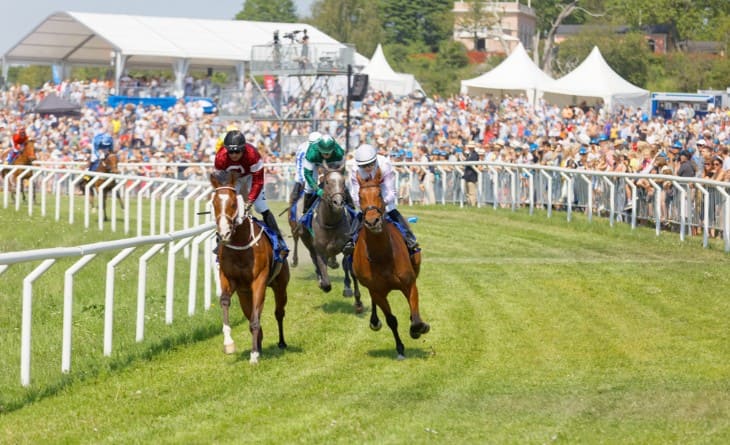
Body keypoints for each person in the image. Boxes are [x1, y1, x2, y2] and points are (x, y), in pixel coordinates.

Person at [213, 129, 288, 261]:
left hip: (251, 178)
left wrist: (250, 201)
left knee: (260, 207)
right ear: (226, 150)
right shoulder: (220, 157)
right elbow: (221, 181)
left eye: (237, 151)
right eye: (231, 151)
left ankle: (280, 242)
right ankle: (219, 243)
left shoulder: (253, 155)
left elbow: (258, 181)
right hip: (232, 179)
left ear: (243, 149)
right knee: (226, 208)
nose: (234, 155)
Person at [342, 143, 419, 256]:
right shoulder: (355, 170)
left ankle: (410, 238)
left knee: (391, 210)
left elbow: (391, 192)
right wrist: (366, 207)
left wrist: (380, 205)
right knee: (360, 214)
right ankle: (350, 241)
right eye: (364, 166)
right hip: (365, 195)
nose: (368, 168)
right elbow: (355, 194)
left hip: (383, 191)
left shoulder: (384, 164)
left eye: (370, 164)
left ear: (375, 160)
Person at [301, 134, 345, 214]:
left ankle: (351, 209)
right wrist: (317, 189)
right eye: (323, 153)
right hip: (315, 163)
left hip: (333, 163)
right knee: (309, 188)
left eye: (328, 153)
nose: (325, 155)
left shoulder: (339, 153)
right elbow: (307, 174)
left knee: (339, 184)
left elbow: (342, 171)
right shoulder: (312, 154)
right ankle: (306, 213)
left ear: (333, 149)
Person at [287, 131, 321, 223]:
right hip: (305, 179)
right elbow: (303, 167)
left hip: (302, 178)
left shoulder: (302, 146)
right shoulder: (309, 150)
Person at [462, 141, 480, 206]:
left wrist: (465, 160)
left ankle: (472, 205)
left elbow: (470, 162)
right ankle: (469, 204)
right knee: (467, 192)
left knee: (472, 192)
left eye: (471, 147)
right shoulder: (469, 154)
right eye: (469, 147)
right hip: (467, 175)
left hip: (472, 176)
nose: (470, 148)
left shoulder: (475, 155)